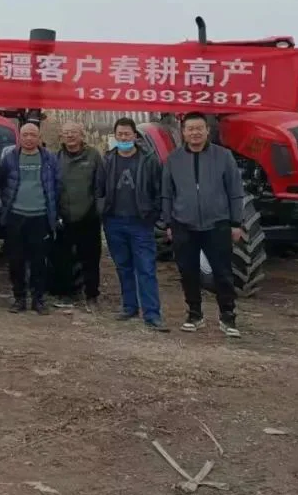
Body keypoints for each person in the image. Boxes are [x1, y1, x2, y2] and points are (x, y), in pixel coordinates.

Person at [162, 111, 244, 338]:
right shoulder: (174, 159)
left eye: (199, 128)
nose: (195, 133)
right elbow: (167, 193)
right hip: (183, 224)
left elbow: (235, 191)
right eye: (190, 129)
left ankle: (228, 316)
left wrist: (236, 222)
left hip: (217, 224)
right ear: (183, 132)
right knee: (188, 272)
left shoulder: (223, 156)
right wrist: (168, 222)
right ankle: (194, 314)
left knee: (223, 273)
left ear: (207, 131)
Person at [97, 117, 168, 331]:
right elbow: (99, 189)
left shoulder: (148, 160)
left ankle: (152, 314)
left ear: (135, 136)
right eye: (120, 134)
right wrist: (102, 211)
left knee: (146, 268)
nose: (123, 138)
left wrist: (154, 215)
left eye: (127, 134)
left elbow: (159, 190)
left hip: (140, 223)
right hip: (114, 222)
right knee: (123, 266)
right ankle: (129, 306)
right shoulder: (108, 160)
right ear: (115, 136)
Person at [0, 122, 59, 314]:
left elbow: (57, 184)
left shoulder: (49, 158)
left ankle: (38, 299)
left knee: (39, 262)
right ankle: (19, 299)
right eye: (25, 135)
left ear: (39, 137)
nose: (29, 138)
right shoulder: (10, 158)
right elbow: (2, 183)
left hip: (40, 217)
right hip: (16, 216)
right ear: (20, 137)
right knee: (16, 261)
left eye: (33, 135)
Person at [52, 121, 104, 312]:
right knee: (63, 258)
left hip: (88, 216)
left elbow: (100, 186)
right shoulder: (56, 158)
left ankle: (92, 296)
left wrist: (98, 210)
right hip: (64, 216)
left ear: (82, 135)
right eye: (66, 133)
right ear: (61, 137)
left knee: (90, 259)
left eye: (74, 132)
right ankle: (66, 294)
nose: (70, 136)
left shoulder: (93, 156)